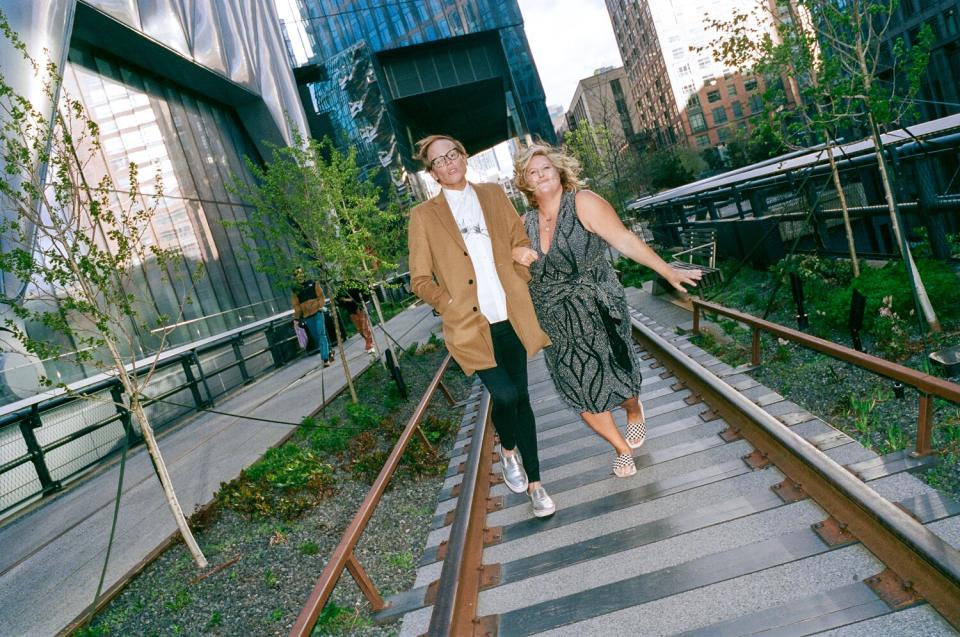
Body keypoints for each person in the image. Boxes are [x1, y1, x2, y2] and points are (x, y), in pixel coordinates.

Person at [512, 144, 702, 478]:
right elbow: (515, 275)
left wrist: (668, 271)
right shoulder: (522, 223)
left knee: (616, 375)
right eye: (532, 172)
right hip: (554, 318)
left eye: (545, 168)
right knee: (576, 385)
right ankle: (621, 448)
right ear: (524, 182)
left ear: (559, 171)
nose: (540, 175)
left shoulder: (583, 202)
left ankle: (633, 409)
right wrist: (515, 258)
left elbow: (624, 240)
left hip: (598, 305)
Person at [408, 134, 556, 518]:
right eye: (439, 161)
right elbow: (419, 279)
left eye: (453, 154)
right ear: (433, 173)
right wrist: (447, 301)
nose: (448, 162)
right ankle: (508, 451)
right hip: (471, 325)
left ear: (464, 157)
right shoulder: (424, 216)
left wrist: (521, 257)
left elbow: (518, 239)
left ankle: (536, 484)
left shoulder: (492, 194)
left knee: (521, 398)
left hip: (510, 314)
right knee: (504, 397)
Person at [291, 268, 330, 366]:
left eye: (301, 272)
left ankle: (325, 358)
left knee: (321, 334)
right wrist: (296, 318)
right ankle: (329, 351)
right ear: (295, 277)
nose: (299, 275)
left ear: (304, 274)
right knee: (316, 336)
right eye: (297, 274)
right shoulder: (295, 290)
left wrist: (320, 306)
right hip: (307, 316)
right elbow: (296, 306)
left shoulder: (313, 283)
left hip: (318, 312)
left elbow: (321, 295)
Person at [338, 286, 376, 354]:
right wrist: (344, 300)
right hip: (351, 311)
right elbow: (339, 300)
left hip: (360, 308)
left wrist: (353, 300)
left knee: (365, 327)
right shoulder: (341, 288)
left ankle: (370, 345)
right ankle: (368, 343)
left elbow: (365, 295)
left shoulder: (354, 283)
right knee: (360, 330)